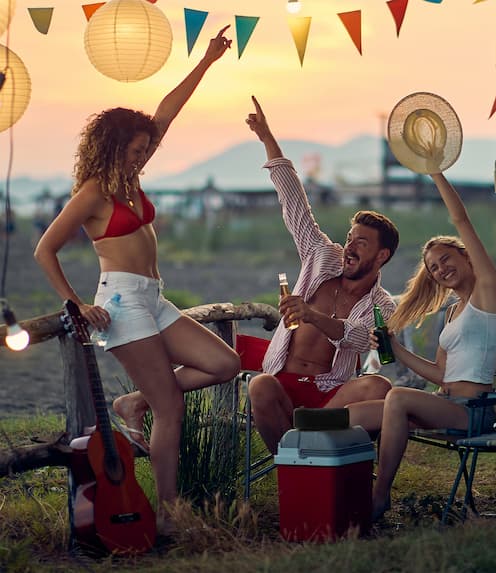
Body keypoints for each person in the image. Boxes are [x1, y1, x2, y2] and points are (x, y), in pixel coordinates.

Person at [34, 26, 241, 533]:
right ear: (112, 148)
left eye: (145, 149)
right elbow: (46, 249)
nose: (142, 156)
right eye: (133, 150)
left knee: (226, 362)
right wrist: (76, 305)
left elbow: (166, 111)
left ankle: (135, 401)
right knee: (171, 409)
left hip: (155, 298)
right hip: (122, 304)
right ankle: (170, 512)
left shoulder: (132, 178)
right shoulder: (92, 193)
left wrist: (209, 60)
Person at [245, 96, 399, 455]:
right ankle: (294, 458)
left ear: (381, 256)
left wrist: (312, 316)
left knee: (378, 388)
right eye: (349, 238)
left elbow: (360, 341)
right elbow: (294, 202)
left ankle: (303, 443)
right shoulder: (320, 256)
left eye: (360, 243)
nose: (349, 247)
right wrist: (268, 137)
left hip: (331, 394)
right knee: (260, 386)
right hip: (284, 384)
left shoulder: (383, 304)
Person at [347, 172, 496, 519]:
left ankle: (379, 495)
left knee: (398, 397)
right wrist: (394, 348)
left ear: (466, 256)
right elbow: (440, 373)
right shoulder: (451, 314)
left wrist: (434, 171)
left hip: (473, 412)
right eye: (433, 268)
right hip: (444, 403)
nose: (440, 270)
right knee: (353, 415)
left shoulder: (488, 294)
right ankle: (340, 488)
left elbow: (461, 219)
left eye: (447, 259)